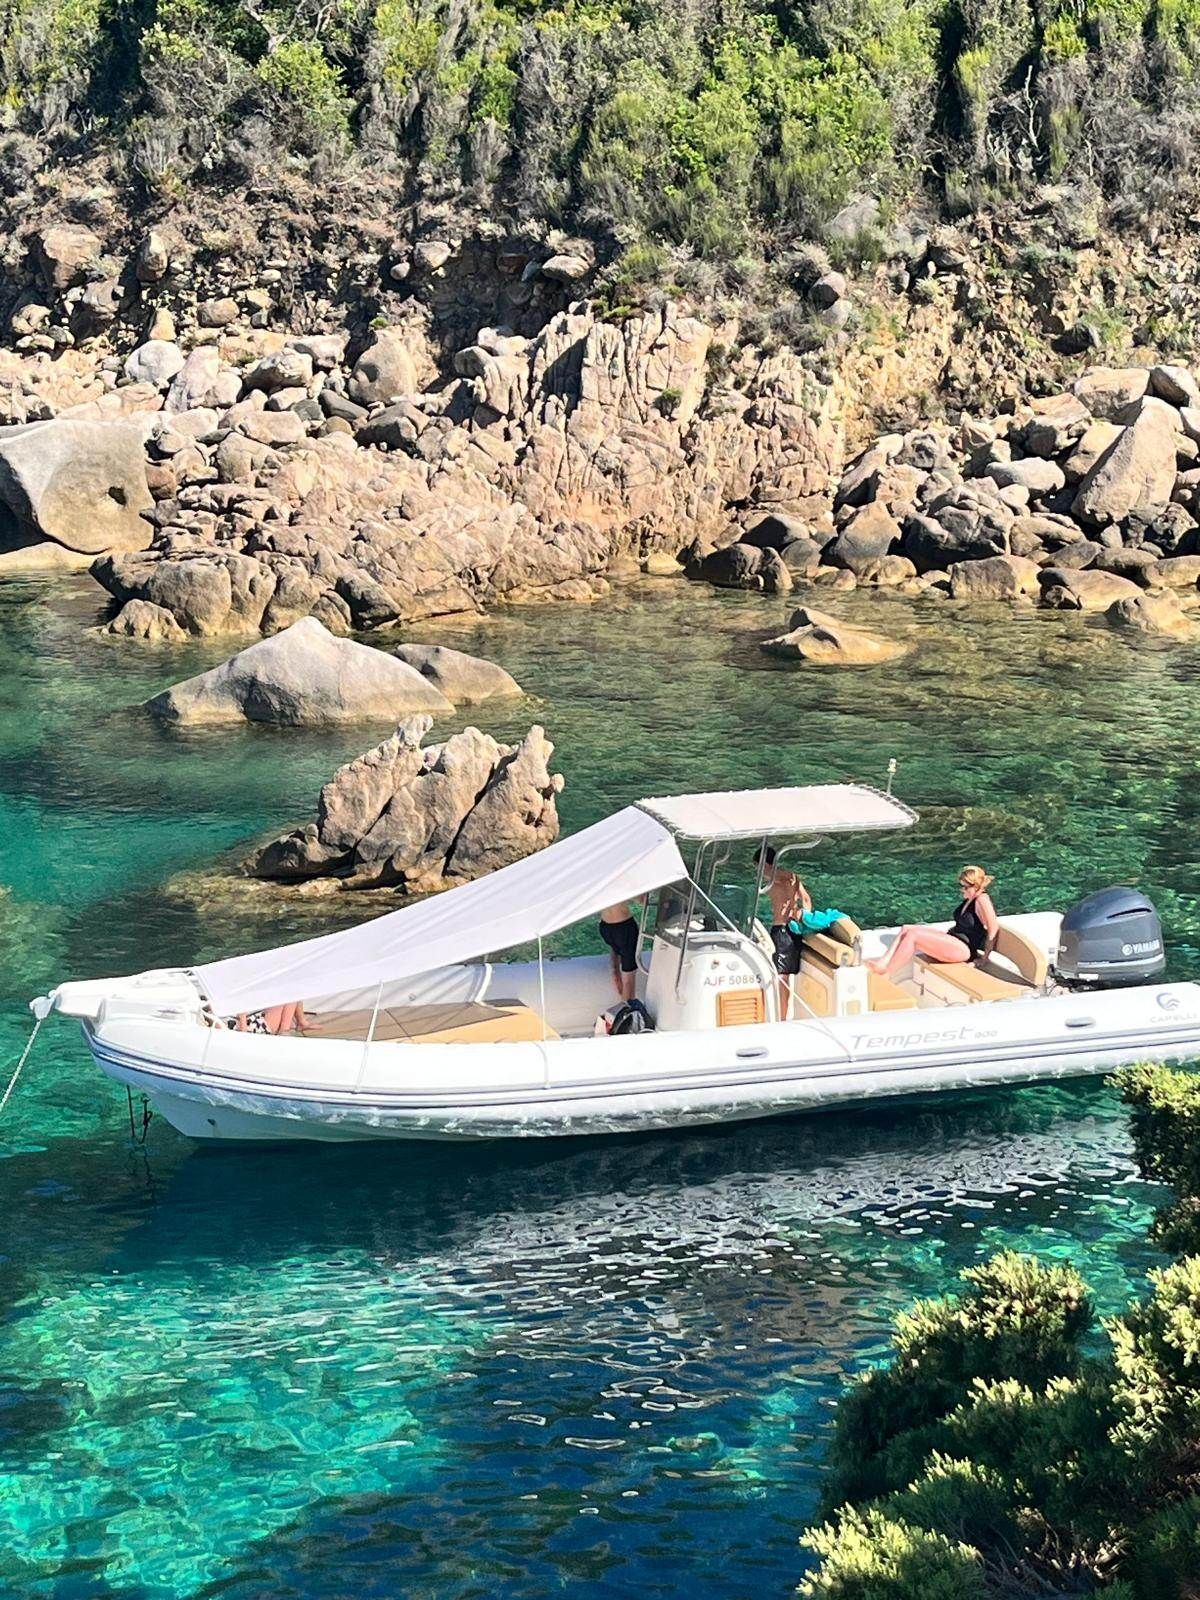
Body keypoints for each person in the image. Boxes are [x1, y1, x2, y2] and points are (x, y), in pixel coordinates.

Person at [868, 865, 999, 980]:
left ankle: (888, 974)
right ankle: (882, 963)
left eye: (964, 886)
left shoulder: (982, 899)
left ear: (974, 886)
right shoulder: (971, 899)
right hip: (955, 940)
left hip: (964, 949)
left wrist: (984, 958)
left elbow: (993, 929)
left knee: (913, 936)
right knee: (907, 929)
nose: (961, 889)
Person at [754, 845, 813, 1021]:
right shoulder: (792, 876)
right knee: (783, 976)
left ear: (765, 864)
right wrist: (804, 918)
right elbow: (806, 900)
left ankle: (781, 1018)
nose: (758, 871)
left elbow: (786, 890)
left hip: (781, 931)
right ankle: (781, 1016)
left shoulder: (776, 879)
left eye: (758, 866)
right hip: (792, 930)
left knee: (781, 977)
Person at [600, 901, 643, 1001]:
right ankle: (627, 1013)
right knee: (629, 980)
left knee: (617, 947)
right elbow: (642, 899)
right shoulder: (621, 884)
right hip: (625, 927)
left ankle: (615, 971)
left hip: (605, 926)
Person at [231, 1001, 315, 1035]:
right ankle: (285, 1031)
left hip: (255, 1021)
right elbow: (243, 1037)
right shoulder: (219, 1028)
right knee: (291, 994)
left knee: (291, 992)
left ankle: (300, 1023)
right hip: (259, 1027)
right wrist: (242, 1016)